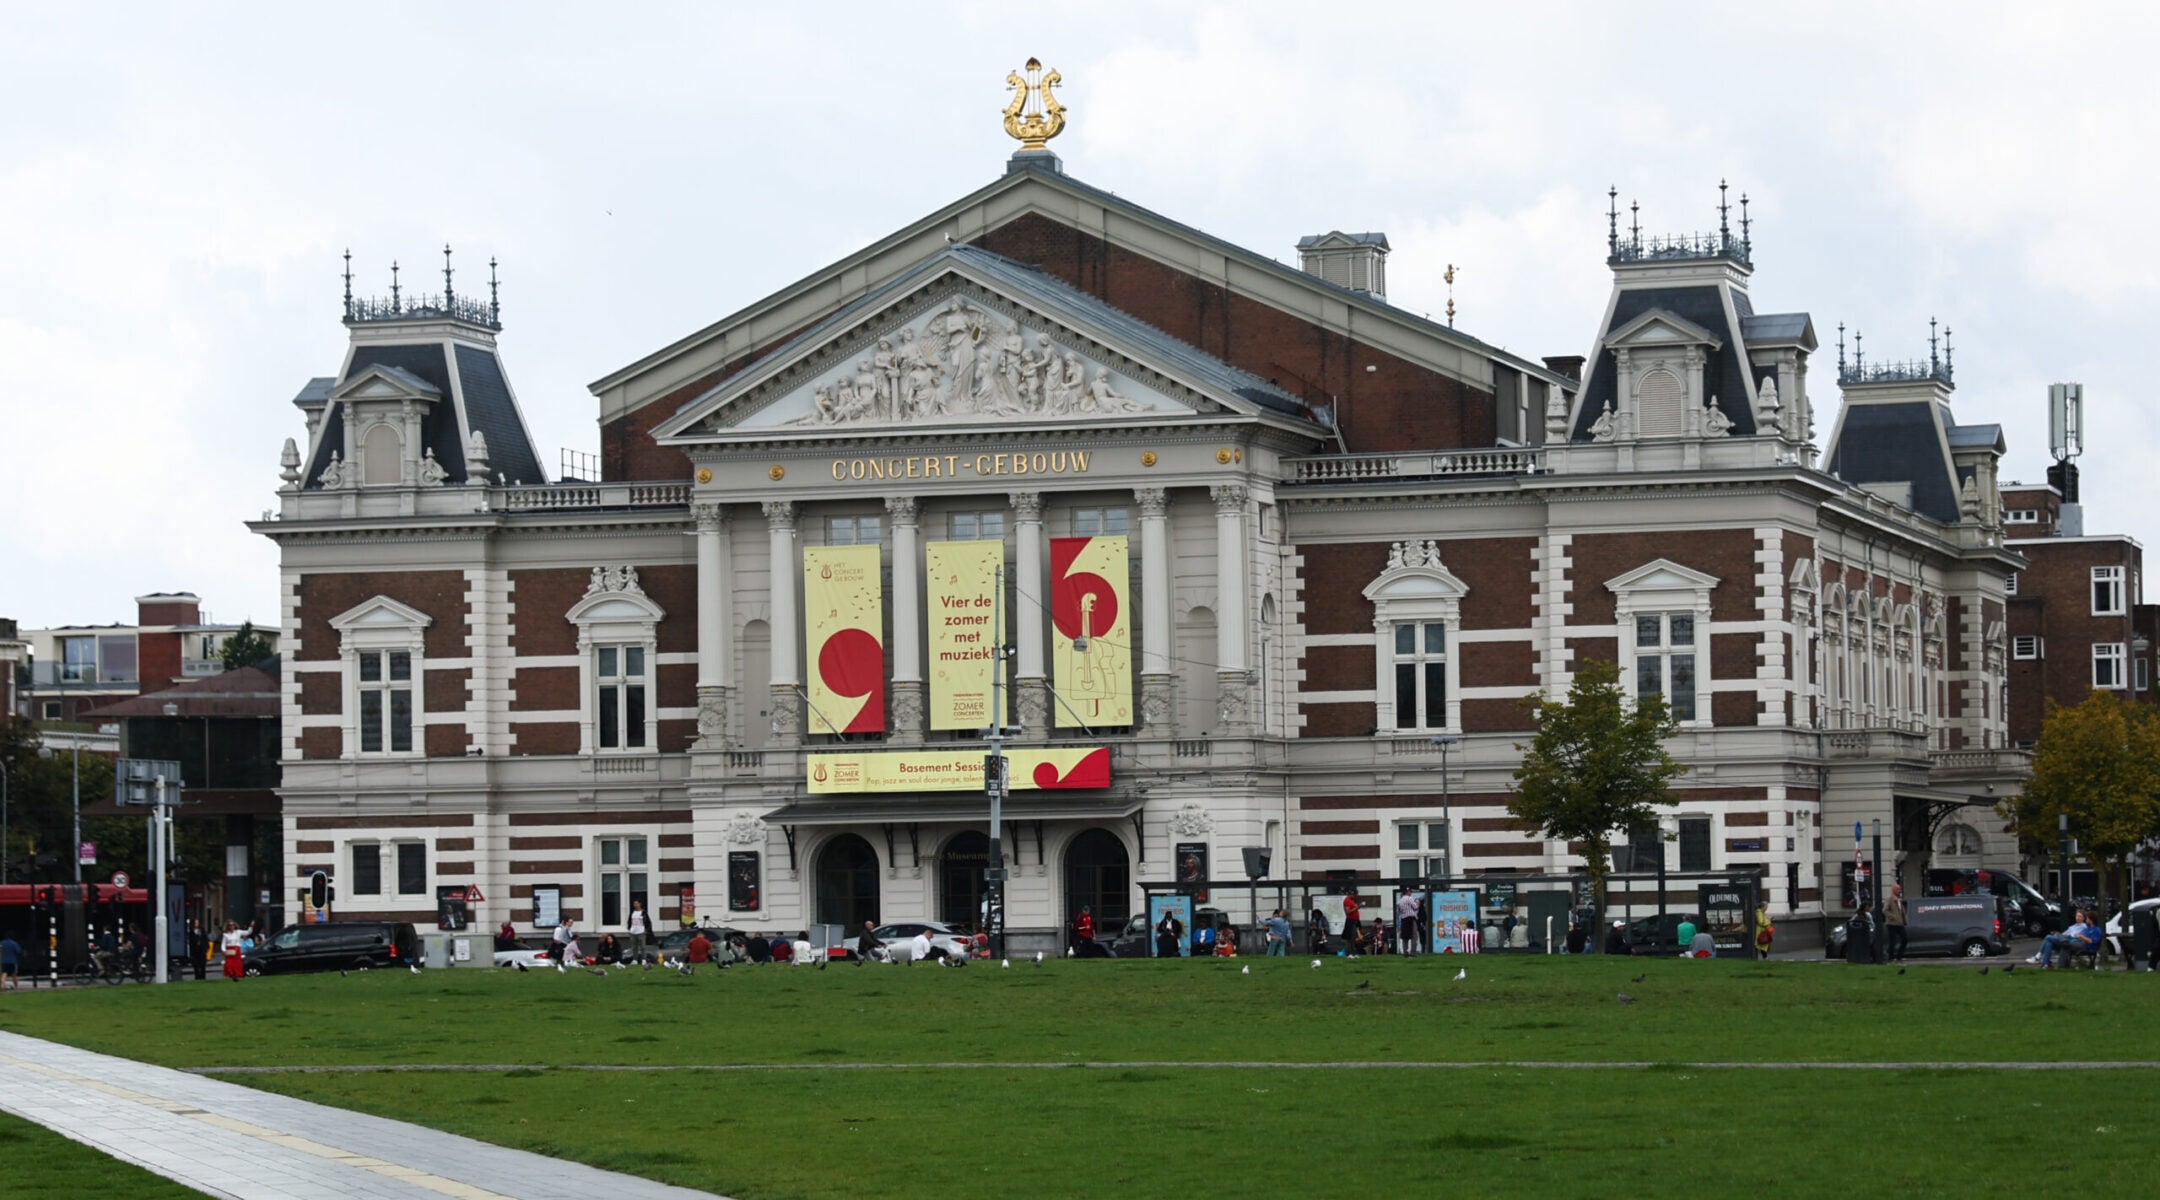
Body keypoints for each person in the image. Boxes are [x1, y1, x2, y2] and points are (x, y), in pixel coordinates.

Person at [2033, 909, 2102, 968]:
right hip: (2074, 941)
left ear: (2091, 920)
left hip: (2084, 945)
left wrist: (2081, 937)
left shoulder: (2094, 929)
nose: (2078, 918)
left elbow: (2091, 941)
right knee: (2050, 942)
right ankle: (2046, 964)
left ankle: (2039, 956)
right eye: (2077, 916)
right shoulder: (2085, 928)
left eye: (2086, 918)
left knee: (2050, 938)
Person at [1884, 884, 1908, 962]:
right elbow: (1885, 910)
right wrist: (1892, 917)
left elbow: (1902, 911)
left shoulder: (1899, 900)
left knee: (1905, 939)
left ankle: (1899, 956)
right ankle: (1890, 957)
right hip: (1892, 924)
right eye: (1898, 889)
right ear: (1893, 890)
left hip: (1900, 924)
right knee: (1892, 941)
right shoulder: (1890, 899)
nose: (1899, 891)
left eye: (1900, 889)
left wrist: (1904, 920)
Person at [1396, 891, 1422, 957]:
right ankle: (1413, 952)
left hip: (1403, 919)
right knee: (1414, 936)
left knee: (1405, 937)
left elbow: (1399, 910)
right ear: (1408, 892)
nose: (1411, 893)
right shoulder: (1409, 898)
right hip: (1411, 918)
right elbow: (1415, 907)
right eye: (1410, 892)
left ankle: (1405, 952)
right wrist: (1418, 903)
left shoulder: (1400, 901)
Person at [627, 900, 652, 964]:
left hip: (641, 931)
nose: (635, 905)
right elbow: (629, 921)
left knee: (642, 946)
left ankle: (643, 959)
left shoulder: (643, 912)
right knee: (634, 946)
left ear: (640, 904)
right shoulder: (632, 912)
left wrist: (646, 930)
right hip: (633, 931)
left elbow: (648, 922)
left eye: (637, 903)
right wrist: (629, 929)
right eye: (634, 904)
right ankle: (635, 959)